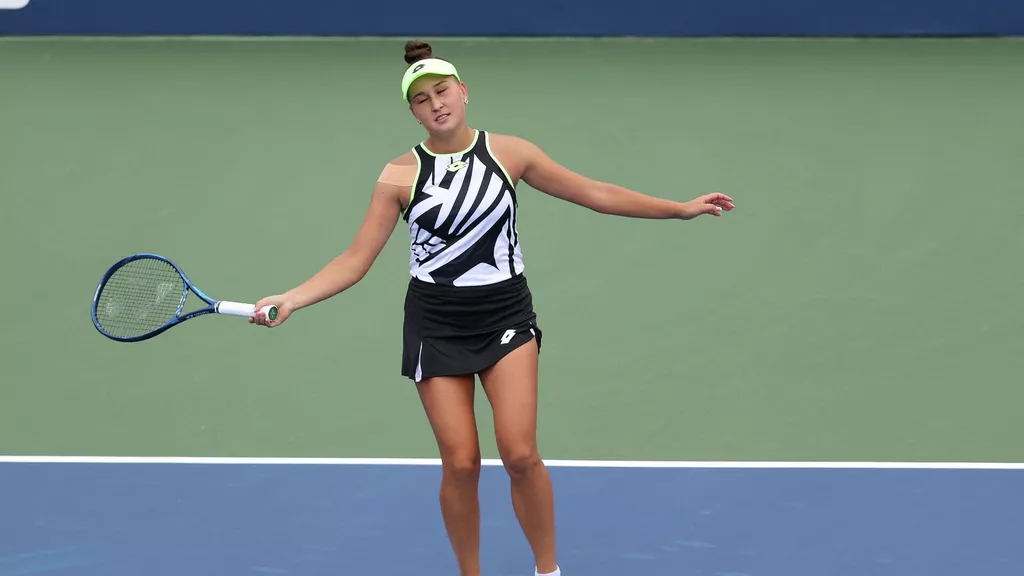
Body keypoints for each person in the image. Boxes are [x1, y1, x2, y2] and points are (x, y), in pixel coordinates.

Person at [250, 39, 735, 576]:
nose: (436, 104)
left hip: (505, 315)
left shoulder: (510, 153)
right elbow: (355, 260)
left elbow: (594, 192)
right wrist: (291, 298)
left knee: (520, 454)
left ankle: (548, 570)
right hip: (436, 323)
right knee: (461, 463)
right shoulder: (398, 175)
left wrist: (678, 209)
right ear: (412, 112)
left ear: (463, 91)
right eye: (422, 100)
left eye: (442, 91)